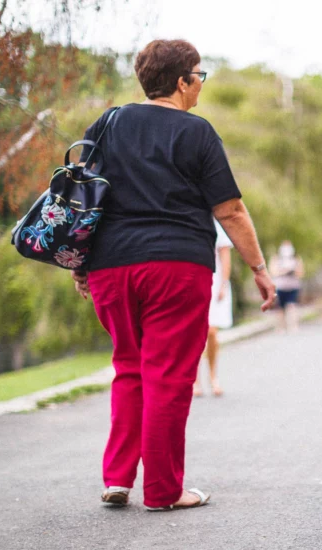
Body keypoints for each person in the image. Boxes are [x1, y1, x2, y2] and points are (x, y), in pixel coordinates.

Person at [70, 39, 276, 511]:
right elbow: (231, 210)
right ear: (182, 82)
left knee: (129, 367)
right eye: (199, 75)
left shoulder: (107, 123)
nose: (202, 83)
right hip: (176, 267)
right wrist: (258, 269)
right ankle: (163, 490)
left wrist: (82, 262)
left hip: (112, 267)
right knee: (168, 378)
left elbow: (81, 198)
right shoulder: (196, 132)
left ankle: (118, 478)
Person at [193, 219, 233, 397]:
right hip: (194, 284)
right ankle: (195, 380)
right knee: (195, 334)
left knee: (211, 332)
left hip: (215, 285)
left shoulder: (216, 224)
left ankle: (213, 376)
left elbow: (225, 256)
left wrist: (223, 285)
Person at [269, 240, 304, 333]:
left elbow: (301, 273)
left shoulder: (296, 258)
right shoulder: (276, 258)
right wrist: (284, 271)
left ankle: (293, 326)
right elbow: (273, 272)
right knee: (279, 309)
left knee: (292, 306)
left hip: (293, 287)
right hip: (279, 287)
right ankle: (280, 327)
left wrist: (293, 271)